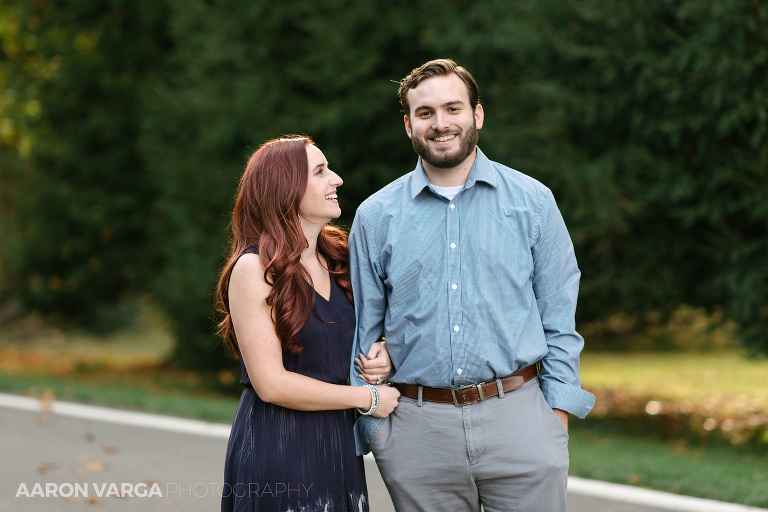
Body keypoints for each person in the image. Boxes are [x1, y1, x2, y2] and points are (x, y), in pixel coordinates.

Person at [348, 59, 595, 512]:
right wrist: (377, 430)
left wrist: (554, 419)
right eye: (425, 113)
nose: (440, 124)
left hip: (521, 421)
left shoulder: (533, 203)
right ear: (408, 125)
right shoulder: (375, 216)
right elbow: (363, 327)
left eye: (453, 108)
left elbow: (560, 318)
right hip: (416, 433)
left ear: (477, 115)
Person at [216, 136, 400, 512]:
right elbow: (270, 384)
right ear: (285, 188)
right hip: (280, 447)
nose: (337, 179)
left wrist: (384, 354)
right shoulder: (255, 269)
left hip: (338, 444)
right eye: (320, 171)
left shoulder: (342, 259)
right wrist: (368, 398)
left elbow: (364, 334)